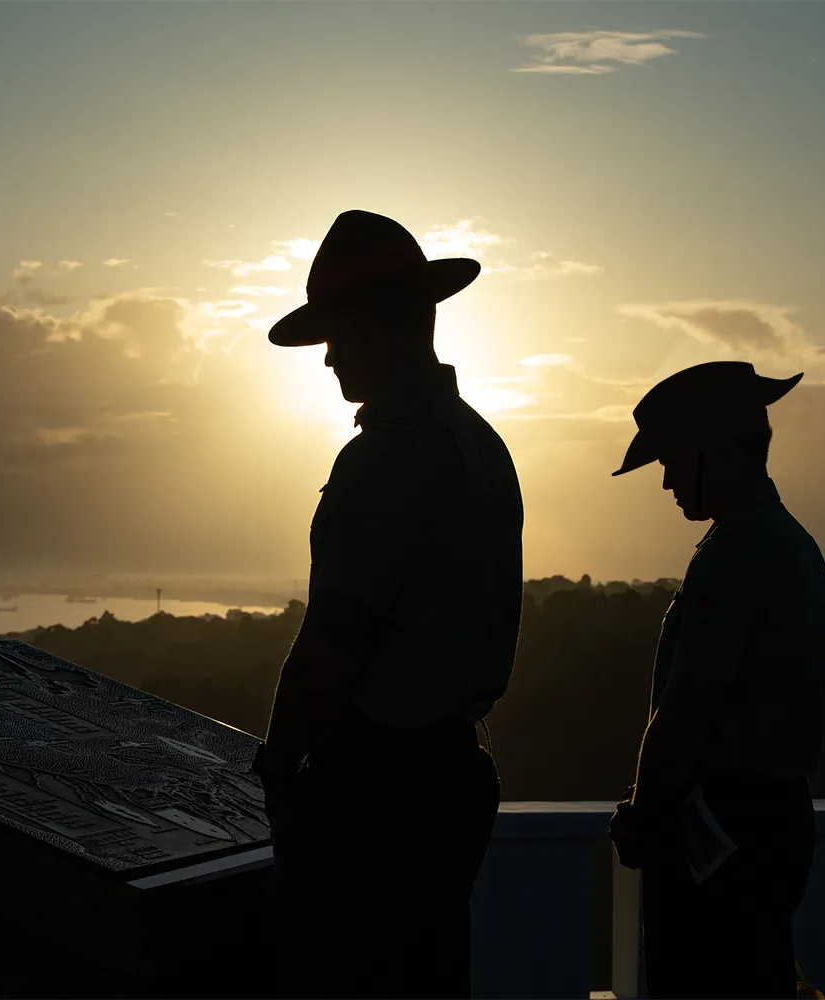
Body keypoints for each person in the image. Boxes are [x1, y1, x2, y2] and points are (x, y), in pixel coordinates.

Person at [252, 209, 524, 998]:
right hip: (450, 782)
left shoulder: (387, 457)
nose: (328, 357)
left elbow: (335, 641)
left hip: (378, 799)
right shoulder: (481, 444)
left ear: (375, 326)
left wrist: (278, 767)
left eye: (336, 334)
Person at [607, 361, 825, 999]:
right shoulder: (794, 545)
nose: (668, 481)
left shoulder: (736, 552)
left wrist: (642, 815)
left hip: (723, 835)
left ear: (722, 451)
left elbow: (685, 712)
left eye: (675, 461)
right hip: (771, 825)